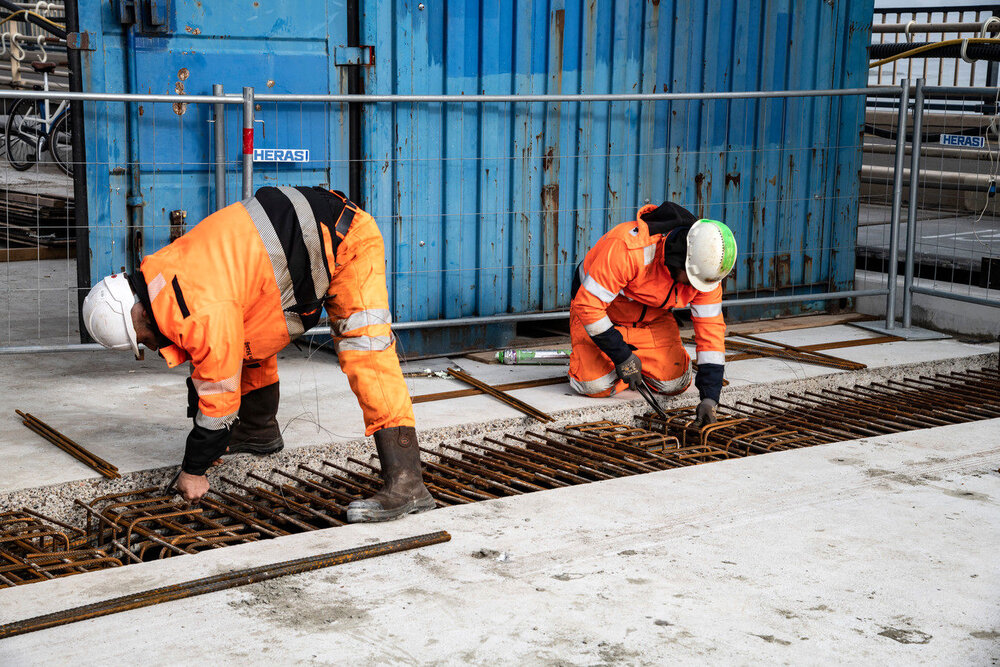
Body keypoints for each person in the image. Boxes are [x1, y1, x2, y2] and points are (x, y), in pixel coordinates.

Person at [81, 186, 435, 523]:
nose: (148, 346)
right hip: (305, 232)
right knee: (248, 331)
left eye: (140, 340)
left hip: (345, 241)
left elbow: (218, 400)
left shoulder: (200, 311)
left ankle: (408, 482)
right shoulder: (161, 274)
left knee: (365, 352)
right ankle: (257, 430)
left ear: (139, 313)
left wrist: (193, 471)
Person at [568, 201, 737, 426]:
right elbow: (588, 306)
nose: (696, 289)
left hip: (651, 321)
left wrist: (710, 398)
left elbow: (711, 333)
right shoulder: (629, 249)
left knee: (674, 382)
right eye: (692, 282)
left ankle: (622, 364)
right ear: (680, 262)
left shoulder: (706, 273)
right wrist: (622, 357)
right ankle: (606, 362)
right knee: (594, 384)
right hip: (602, 317)